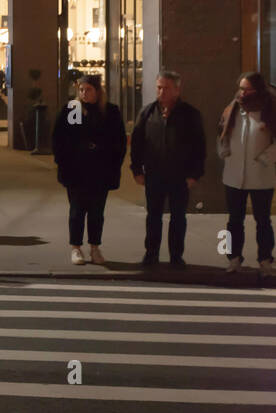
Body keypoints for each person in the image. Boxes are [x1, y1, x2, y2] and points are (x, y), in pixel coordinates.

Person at [129, 71, 206, 267]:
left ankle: (176, 256)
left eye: (166, 88)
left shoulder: (190, 114)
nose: (162, 92)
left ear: (177, 90)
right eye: (159, 87)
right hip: (154, 174)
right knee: (153, 216)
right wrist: (137, 170)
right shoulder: (147, 113)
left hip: (180, 176)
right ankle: (151, 254)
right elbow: (137, 143)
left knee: (178, 217)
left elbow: (199, 147)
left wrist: (194, 174)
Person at [52, 74, 127, 265]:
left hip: (100, 171)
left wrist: (107, 157)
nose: (84, 93)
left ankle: (95, 247)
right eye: (81, 90)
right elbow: (62, 138)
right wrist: (66, 160)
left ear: (98, 91)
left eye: (89, 90)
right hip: (76, 171)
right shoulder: (74, 109)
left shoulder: (109, 112)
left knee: (96, 211)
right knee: (77, 210)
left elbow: (118, 141)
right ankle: (76, 248)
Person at [217, 72, 276, 275]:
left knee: (263, 221)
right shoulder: (233, 108)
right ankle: (232, 259)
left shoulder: (270, 109)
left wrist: (265, 158)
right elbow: (222, 133)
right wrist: (224, 151)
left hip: (261, 176)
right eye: (240, 88)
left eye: (246, 89)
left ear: (257, 90)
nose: (242, 93)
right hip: (234, 176)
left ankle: (266, 260)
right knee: (234, 220)